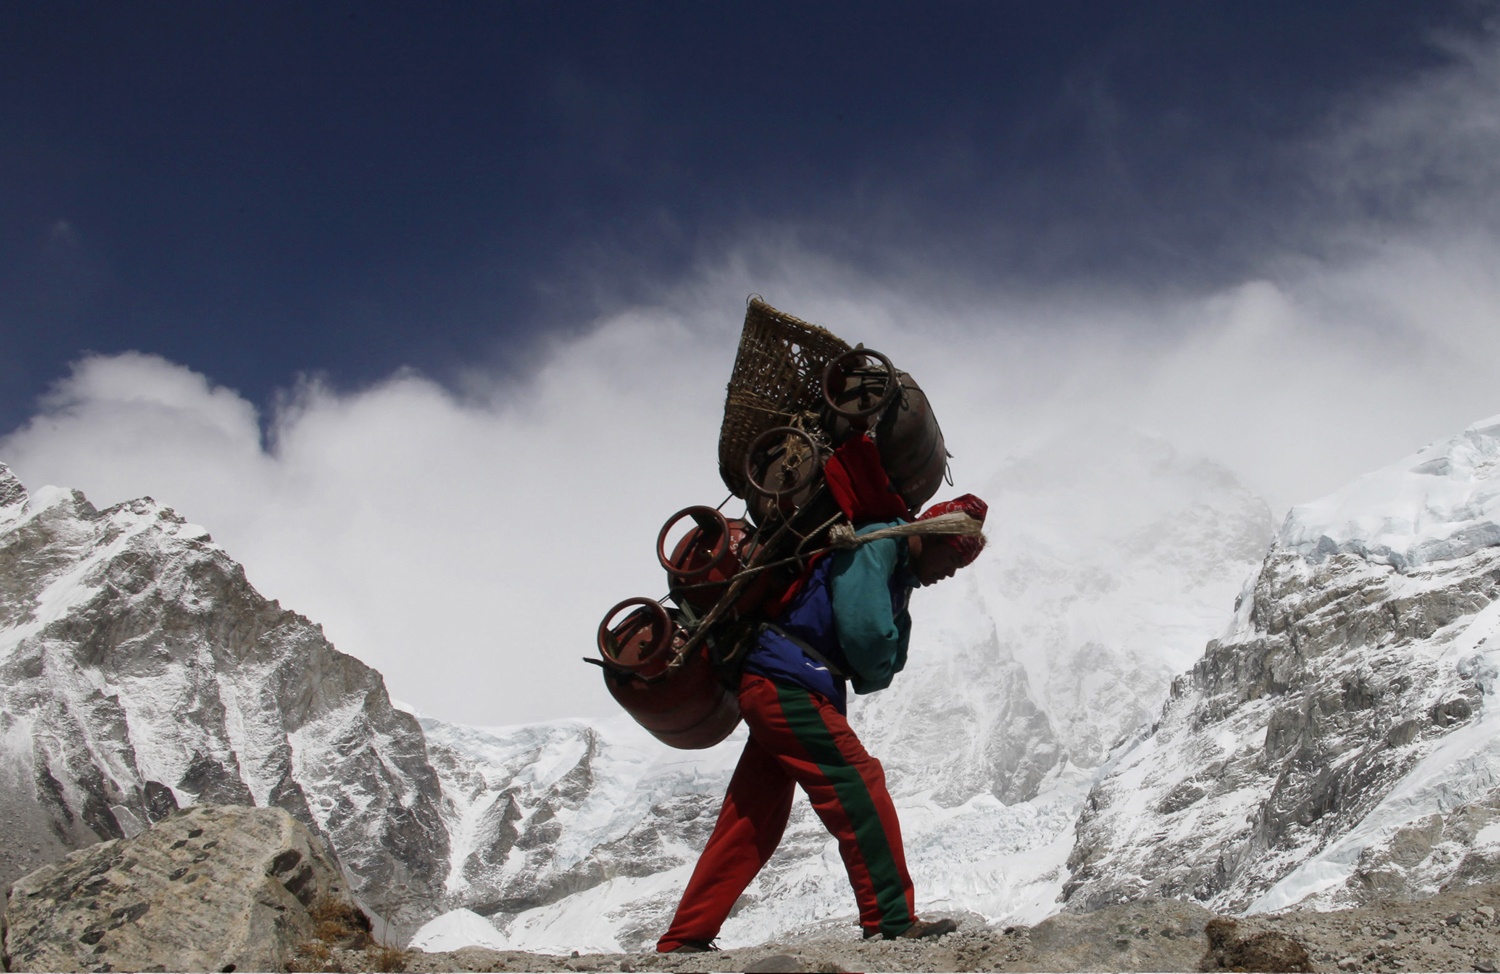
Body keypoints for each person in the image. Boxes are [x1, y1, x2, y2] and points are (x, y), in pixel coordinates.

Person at [656, 491, 989, 953]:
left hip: (779, 680)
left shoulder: (894, 566)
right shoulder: (877, 546)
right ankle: (890, 919)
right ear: (933, 538)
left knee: (752, 817)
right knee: (858, 785)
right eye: (953, 560)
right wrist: (878, 665)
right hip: (791, 684)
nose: (949, 573)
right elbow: (866, 633)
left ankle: (685, 937)